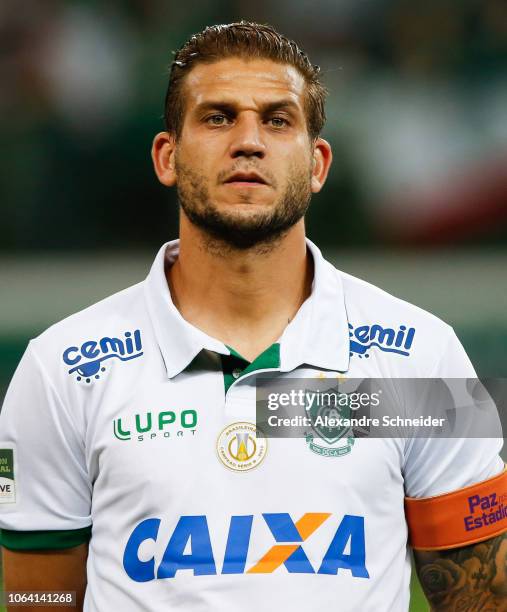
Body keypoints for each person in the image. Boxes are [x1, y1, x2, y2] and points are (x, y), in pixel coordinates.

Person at [0, 21, 505, 612]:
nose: (248, 141)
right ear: (167, 155)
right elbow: (37, 597)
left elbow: (482, 598)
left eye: (277, 119)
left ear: (318, 165)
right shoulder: (62, 367)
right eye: (217, 117)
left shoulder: (422, 355)